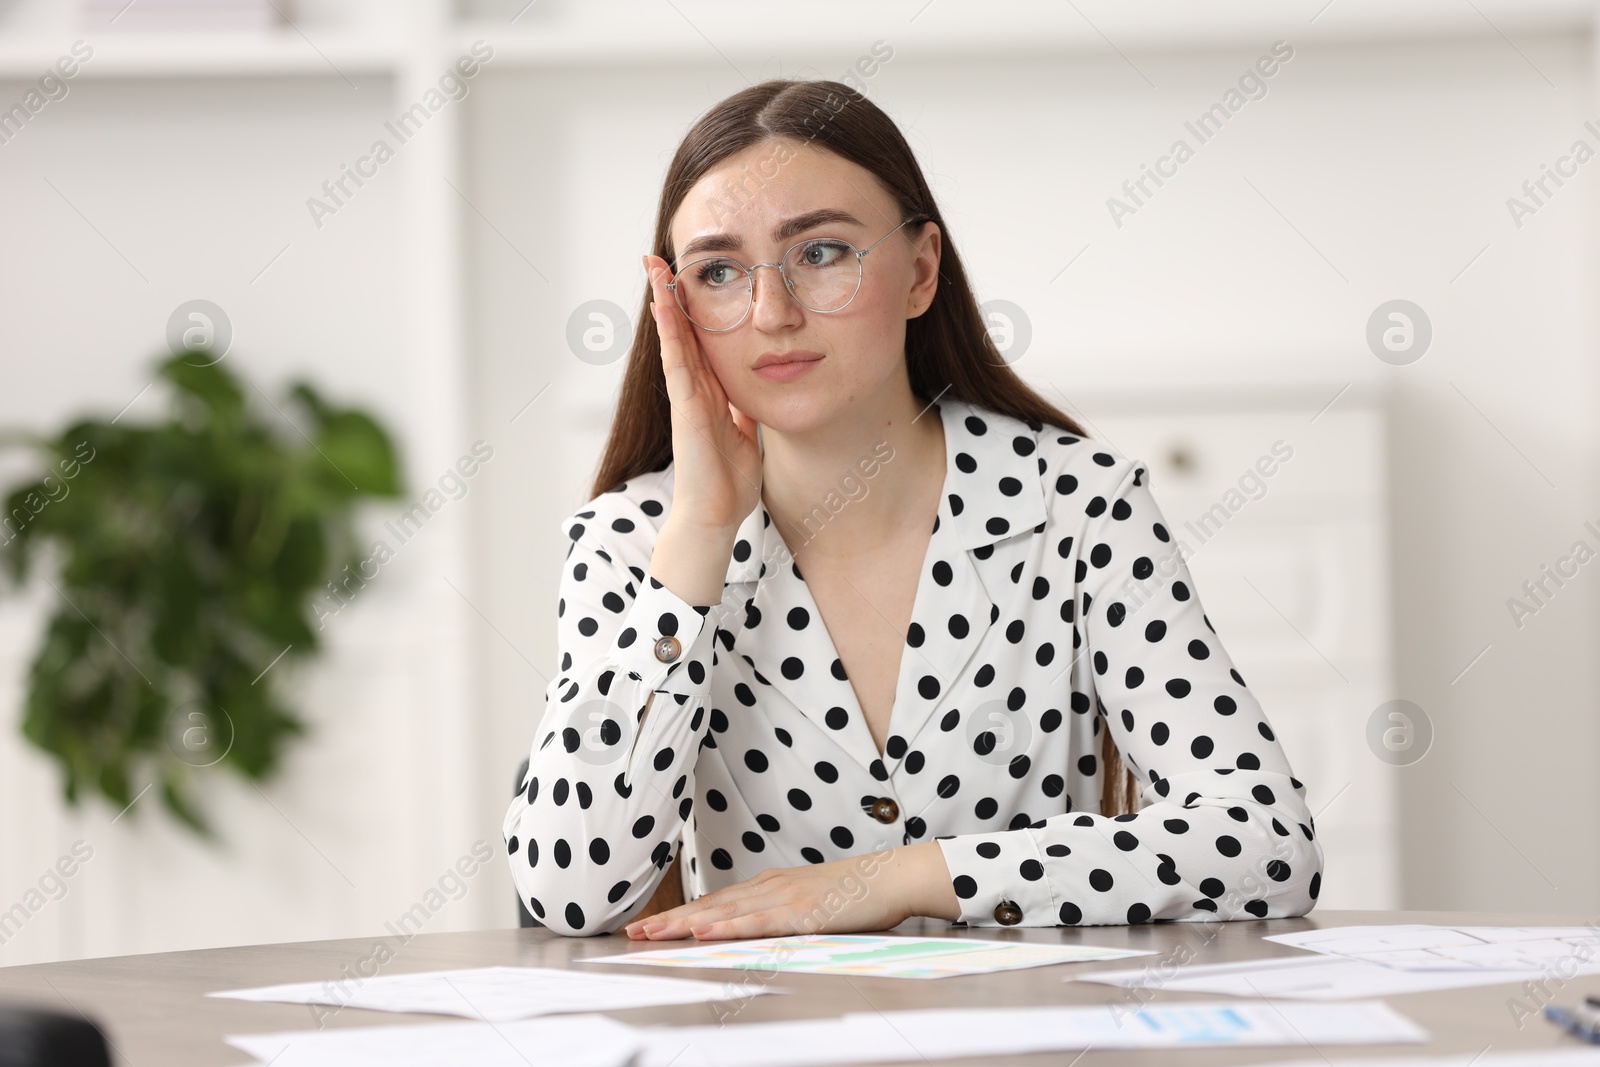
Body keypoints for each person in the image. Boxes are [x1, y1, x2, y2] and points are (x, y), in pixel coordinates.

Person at [503, 78, 1322, 939]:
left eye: (820, 253)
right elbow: (570, 895)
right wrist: (702, 535)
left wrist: (899, 879)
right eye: (718, 272)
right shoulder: (636, 543)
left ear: (921, 270)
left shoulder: (1081, 506)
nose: (772, 313)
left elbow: (1265, 841)